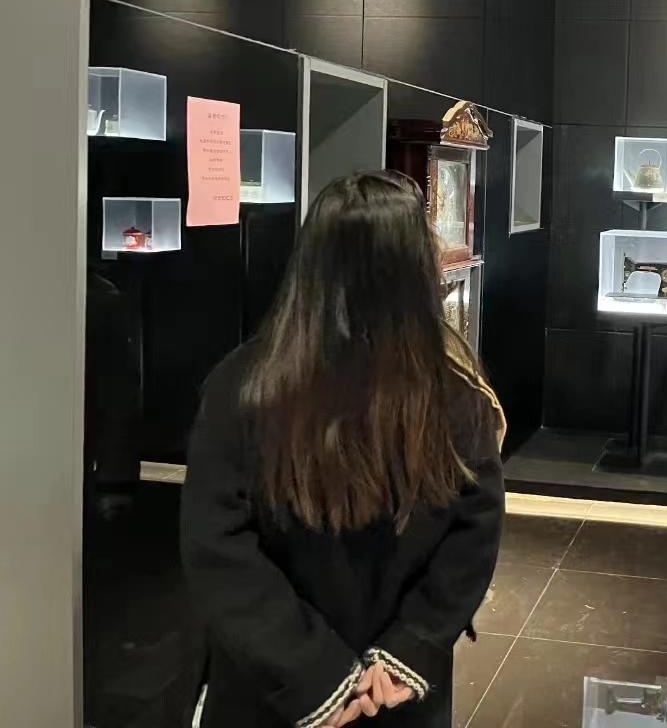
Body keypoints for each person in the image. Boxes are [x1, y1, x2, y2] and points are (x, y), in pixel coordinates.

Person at [178, 170, 505, 728]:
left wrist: (310, 669)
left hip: (272, 687)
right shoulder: (454, 391)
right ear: (413, 270)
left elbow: (217, 543)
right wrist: (410, 648)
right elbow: (474, 533)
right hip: (386, 695)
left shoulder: (243, 382)